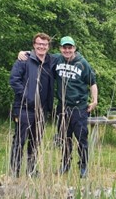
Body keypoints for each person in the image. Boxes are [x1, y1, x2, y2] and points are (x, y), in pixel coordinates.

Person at [17, 36, 98, 178]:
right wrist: (24, 53)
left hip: (78, 108)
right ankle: (65, 164)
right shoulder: (56, 59)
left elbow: (92, 82)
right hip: (62, 108)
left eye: (70, 47)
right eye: (64, 47)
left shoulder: (83, 64)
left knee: (81, 139)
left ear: (74, 48)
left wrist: (95, 100)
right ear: (60, 49)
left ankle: (83, 166)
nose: (67, 50)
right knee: (64, 139)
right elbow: (40, 54)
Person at [9, 32, 55, 178]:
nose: (42, 46)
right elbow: (14, 80)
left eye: (45, 44)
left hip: (41, 111)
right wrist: (27, 98)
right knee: (19, 141)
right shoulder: (23, 61)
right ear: (34, 45)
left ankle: (31, 171)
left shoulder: (51, 62)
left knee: (35, 142)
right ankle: (14, 172)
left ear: (48, 47)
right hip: (24, 109)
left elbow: (67, 56)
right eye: (39, 44)